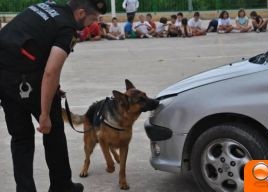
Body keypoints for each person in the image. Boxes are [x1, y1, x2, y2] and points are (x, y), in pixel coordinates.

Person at [0, 0, 106, 192]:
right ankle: (61, 186)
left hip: (4, 77)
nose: (93, 23)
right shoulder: (67, 27)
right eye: (93, 18)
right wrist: (44, 114)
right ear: (81, 13)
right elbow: (51, 71)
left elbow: (33, 42)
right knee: (53, 131)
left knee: (20, 137)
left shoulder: (48, 5)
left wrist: (52, 86)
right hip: (27, 81)